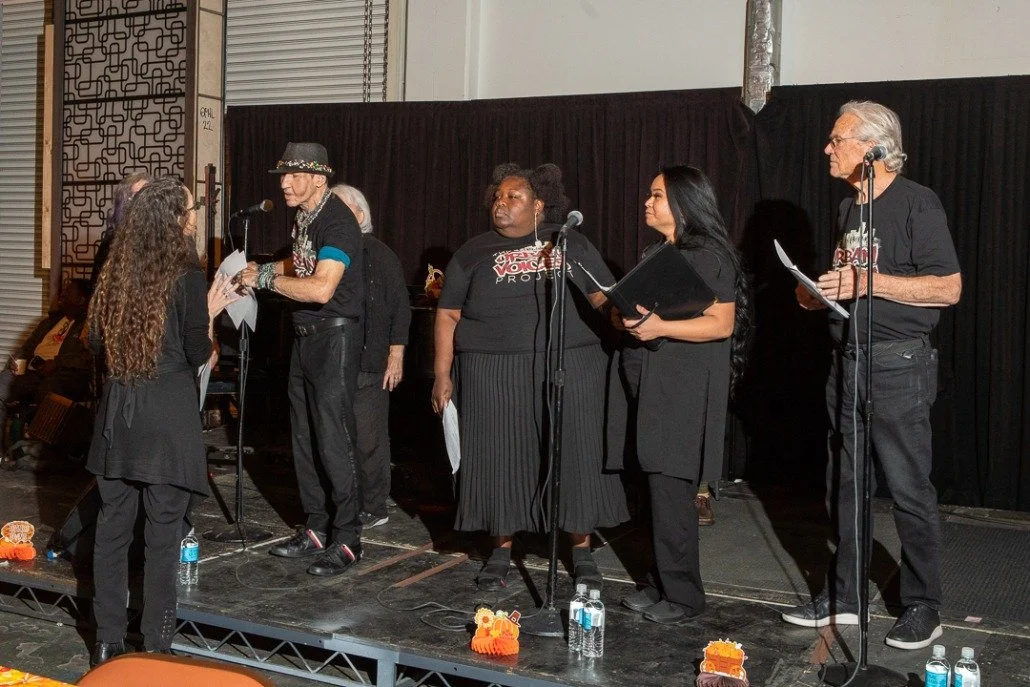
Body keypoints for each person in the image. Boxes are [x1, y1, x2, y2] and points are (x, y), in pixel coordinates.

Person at [780, 101, 961, 650]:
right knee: (847, 486)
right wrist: (817, 293)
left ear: (873, 148)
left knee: (908, 488)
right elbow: (848, 278)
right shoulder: (848, 209)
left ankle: (923, 604)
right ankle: (848, 596)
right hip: (849, 363)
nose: (828, 149)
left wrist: (870, 282)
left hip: (898, 364)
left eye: (838, 140)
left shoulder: (917, 203)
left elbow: (948, 288)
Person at [431, 162, 628, 590]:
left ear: (539, 205)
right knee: (498, 459)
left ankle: (580, 549)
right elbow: (447, 314)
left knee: (574, 455)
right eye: (497, 197)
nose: (501, 204)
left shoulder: (569, 242)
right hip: (492, 369)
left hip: (570, 365)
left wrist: (629, 318)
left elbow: (602, 299)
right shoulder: (473, 251)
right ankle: (501, 550)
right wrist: (441, 373)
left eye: (512, 197)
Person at [87, 177, 237, 666]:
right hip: (167, 417)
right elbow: (199, 352)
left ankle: (107, 642)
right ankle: (155, 646)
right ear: (175, 218)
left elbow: (92, 343)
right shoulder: (185, 271)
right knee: (162, 535)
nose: (194, 216)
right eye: (190, 209)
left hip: (118, 414)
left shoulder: (114, 269)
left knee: (111, 533)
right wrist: (210, 315)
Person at [611, 165, 750, 624]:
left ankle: (685, 597)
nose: (646, 203)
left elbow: (722, 323)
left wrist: (659, 326)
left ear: (683, 202)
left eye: (655, 195)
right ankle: (657, 584)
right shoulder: (659, 252)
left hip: (683, 393)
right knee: (651, 492)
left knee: (672, 495)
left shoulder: (710, 254)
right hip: (650, 386)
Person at [239, 142, 365, 576]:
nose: (284, 183)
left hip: (335, 337)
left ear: (318, 178)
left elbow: (321, 287)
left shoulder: (337, 220)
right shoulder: (304, 217)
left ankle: (347, 537)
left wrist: (269, 278)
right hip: (306, 336)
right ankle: (316, 528)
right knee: (303, 436)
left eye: (293, 176)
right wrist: (263, 268)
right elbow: (302, 261)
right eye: (282, 176)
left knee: (333, 437)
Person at [330, 183, 411, 529]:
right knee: (338, 438)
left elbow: (400, 307)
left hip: (369, 361)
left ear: (359, 215)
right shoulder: (328, 251)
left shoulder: (379, 253)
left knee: (368, 439)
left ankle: (375, 506)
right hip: (335, 361)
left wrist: (396, 353)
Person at [0, 279, 93, 434]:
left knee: (48, 390)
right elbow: (26, 348)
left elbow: (87, 359)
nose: (61, 294)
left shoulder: (87, 327)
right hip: (33, 370)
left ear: (80, 300)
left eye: (67, 292)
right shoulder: (49, 322)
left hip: (61, 374)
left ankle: (37, 449)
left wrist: (57, 363)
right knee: (4, 380)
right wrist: (17, 362)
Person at [90, 171, 151, 288]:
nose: (137, 201)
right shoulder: (111, 241)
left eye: (144, 195)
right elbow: (97, 286)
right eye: (131, 196)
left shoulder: (163, 238)